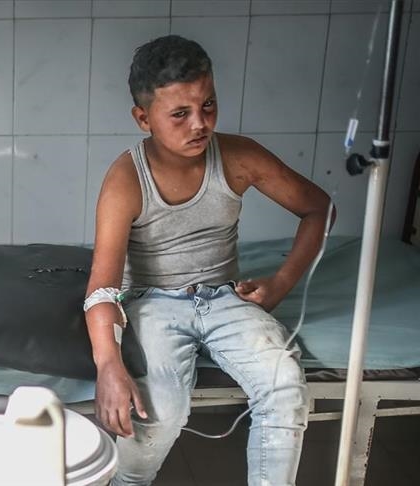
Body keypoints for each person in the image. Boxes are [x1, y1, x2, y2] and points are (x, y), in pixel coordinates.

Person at [83, 35, 334, 486]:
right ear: (144, 118)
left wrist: (280, 283)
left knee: (284, 386)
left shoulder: (238, 156)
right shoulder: (126, 179)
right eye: (179, 114)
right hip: (152, 303)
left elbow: (319, 208)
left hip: (225, 298)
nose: (200, 124)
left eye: (208, 105)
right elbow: (102, 287)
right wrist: (108, 365)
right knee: (161, 407)